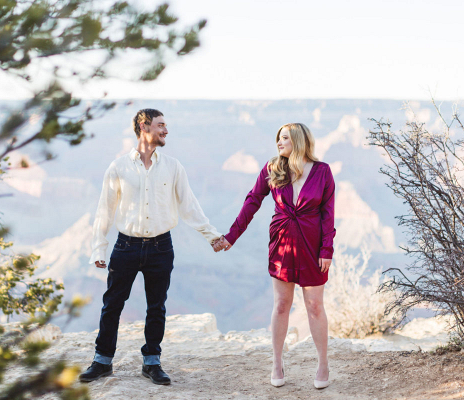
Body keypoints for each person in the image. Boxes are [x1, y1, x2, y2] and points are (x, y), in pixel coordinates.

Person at [79, 109, 223, 385]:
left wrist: (212, 236)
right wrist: (99, 248)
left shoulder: (173, 166)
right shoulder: (118, 167)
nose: (166, 131)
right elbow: (104, 211)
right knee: (112, 305)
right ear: (144, 126)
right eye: (161, 125)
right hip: (125, 246)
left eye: (166, 126)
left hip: (160, 247)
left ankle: (152, 362)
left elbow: (189, 206)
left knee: (156, 306)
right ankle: (102, 361)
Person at [215, 123, 336, 389]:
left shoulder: (323, 172)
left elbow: (328, 214)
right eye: (278, 138)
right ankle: (277, 362)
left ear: (298, 140)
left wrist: (327, 249)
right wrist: (231, 236)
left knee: (315, 306)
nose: (279, 143)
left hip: (313, 246)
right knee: (282, 304)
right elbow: (252, 201)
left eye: (283, 138)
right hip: (282, 244)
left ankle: (323, 363)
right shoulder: (273, 168)